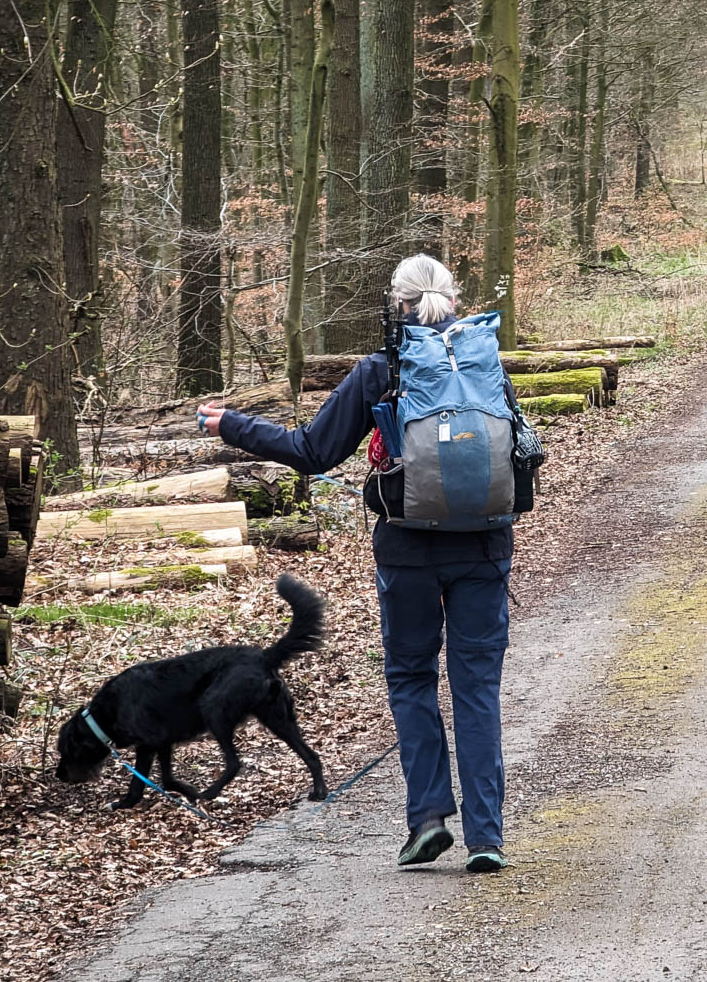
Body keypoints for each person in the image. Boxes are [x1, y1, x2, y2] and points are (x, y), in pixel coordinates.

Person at [197, 254, 514, 873]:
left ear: (396, 305)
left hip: (406, 552)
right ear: (453, 300)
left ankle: (427, 818)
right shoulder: (485, 362)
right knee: (477, 689)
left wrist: (234, 424)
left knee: (411, 677)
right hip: (484, 548)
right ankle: (487, 835)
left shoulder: (379, 372)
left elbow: (311, 452)